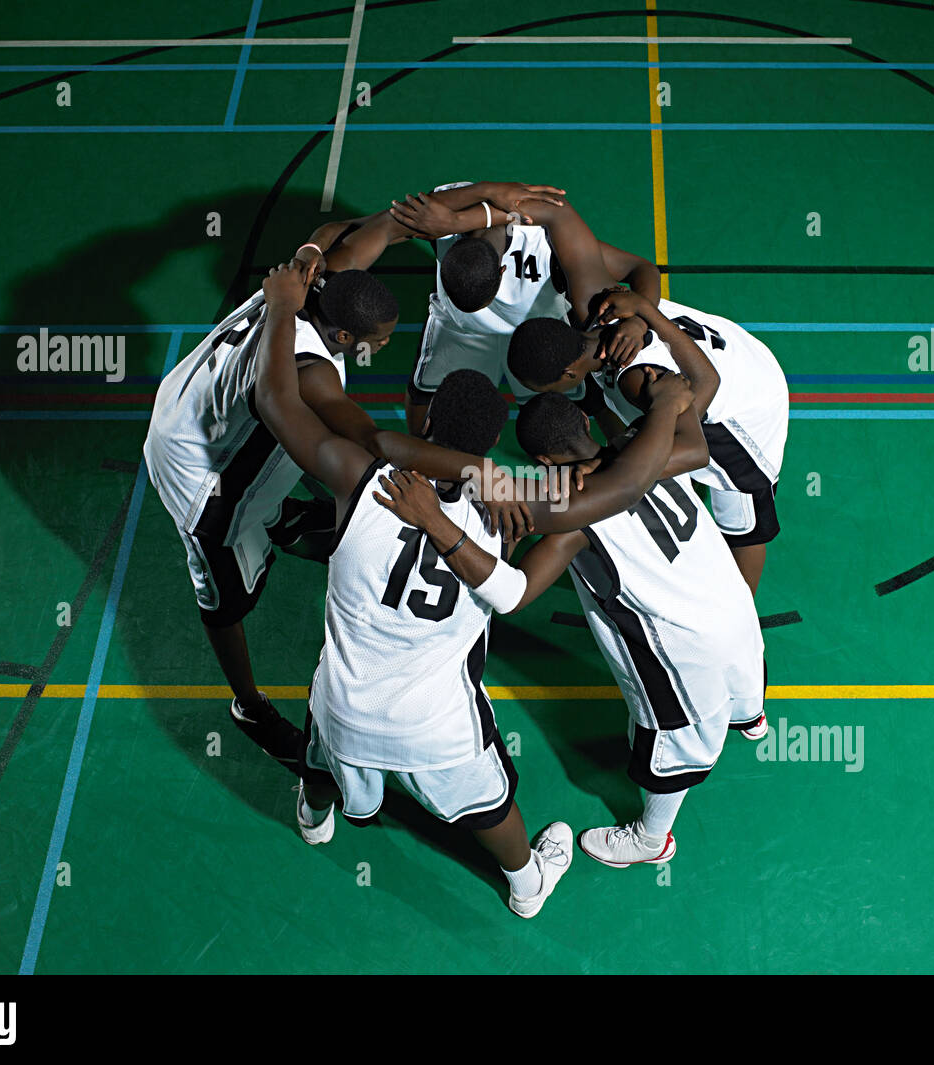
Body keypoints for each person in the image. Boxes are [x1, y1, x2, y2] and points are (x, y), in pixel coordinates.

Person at [250, 260, 581, 916]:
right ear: (492, 447)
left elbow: (275, 401)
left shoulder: (361, 479)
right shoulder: (509, 515)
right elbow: (591, 501)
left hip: (345, 703)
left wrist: (283, 307)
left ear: (428, 434)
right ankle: (526, 884)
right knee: (491, 805)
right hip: (437, 723)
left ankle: (316, 817)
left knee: (322, 754)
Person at [143, 255, 534, 786]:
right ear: (346, 334)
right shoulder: (311, 368)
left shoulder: (303, 282)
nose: (389, 345)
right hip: (202, 485)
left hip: (207, 422)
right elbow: (371, 441)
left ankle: (280, 522)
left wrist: (477, 204)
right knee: (224, 603)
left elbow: (340, 239)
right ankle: (248, 706)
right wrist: (481, 470)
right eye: (382, 337)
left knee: (298, 482)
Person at [378, 386, 766, 870]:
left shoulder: (571, 521)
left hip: (685, 654)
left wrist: (444, 524)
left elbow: (513, 595)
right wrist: (662, 402)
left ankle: (651, 840)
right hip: (736, 612)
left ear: (540, 459)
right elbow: (687, 401)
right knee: (743, 678)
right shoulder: (651, 449)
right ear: (584, 424)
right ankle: (749, 716)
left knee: (672, 750)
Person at [303, 179, 660, 433]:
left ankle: (614, 457)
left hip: (538, 337)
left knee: (574, 406)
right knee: (424, 392)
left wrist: (640, 323)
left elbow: (640, 267)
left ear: (504, 270)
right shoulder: (440, 214)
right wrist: (313, 251)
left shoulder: (547, 241)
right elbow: (346, 229)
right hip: (460, 329)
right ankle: (421, 460)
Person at [506, 288, 789, 597]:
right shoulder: (589, 311)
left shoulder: (635, 379)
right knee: (646, 438)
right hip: (736, 350)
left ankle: (743, 606)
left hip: (744, 410)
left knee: (744, 527)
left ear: (569, 372)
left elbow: (698, 401)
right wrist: (641, 314)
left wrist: (611, 462)